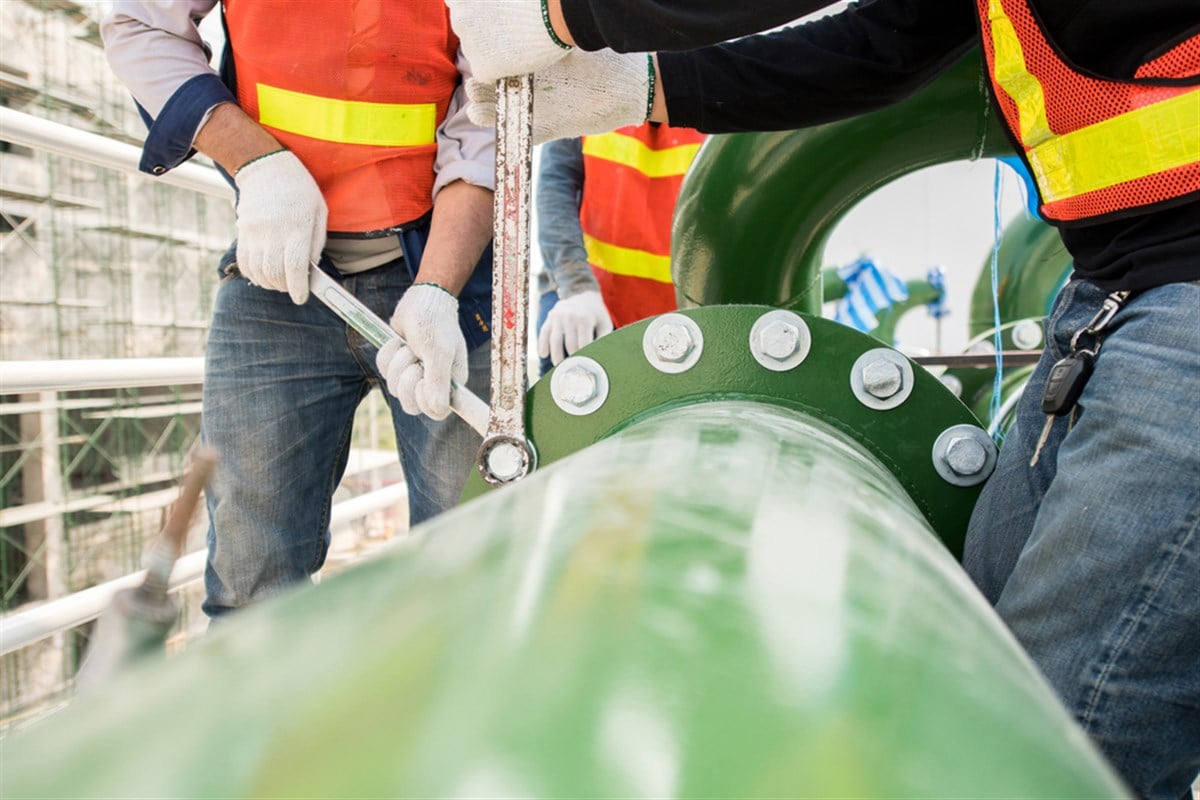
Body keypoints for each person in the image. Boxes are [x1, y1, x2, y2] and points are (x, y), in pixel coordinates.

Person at [446, 1, 1200, 797]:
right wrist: (642, 89)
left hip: (1179, 312)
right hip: (1108, 294)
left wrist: (569, 12)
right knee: (982, 654)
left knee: (1056, 744)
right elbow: (887, 42)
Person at [101, 0, 495, 618]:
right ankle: (253, 712)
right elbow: (138, 23)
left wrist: (439, 287)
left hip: (439, 275)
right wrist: (256, 161)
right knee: (248, 583)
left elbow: (490, 116)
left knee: (471, 560)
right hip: (277, 273)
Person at [536, 123, 705, 372]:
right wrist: (576, 287)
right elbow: (555, 186)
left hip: (688, 311)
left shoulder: (729, 95)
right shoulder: (582, 90)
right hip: (587, 299)